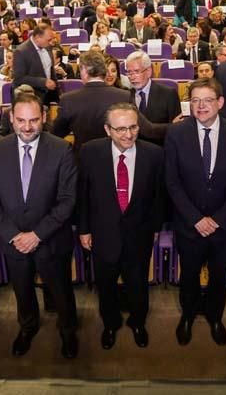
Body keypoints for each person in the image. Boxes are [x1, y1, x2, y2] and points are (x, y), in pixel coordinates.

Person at [0, 93, 79, 359]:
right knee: (22, 291)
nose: (27, 127)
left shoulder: (62, 149)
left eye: (34, 120)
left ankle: (68, 330)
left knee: (61, 293)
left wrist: (37, 235)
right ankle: (27, 327)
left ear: (44, 117)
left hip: (51, 241)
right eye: (21, 120)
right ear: (11, 118)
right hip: (13, 243)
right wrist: (13, 235)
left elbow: (67, 201)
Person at [164, 78, 226, 346]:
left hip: (223, 227)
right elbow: (171, 181)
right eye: (195, 101)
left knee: (218, 276)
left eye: (207, 100)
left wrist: (217, 220)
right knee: (189, 274)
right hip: (188, 225)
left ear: (220, 103)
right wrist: (195, 219)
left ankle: (215, 317)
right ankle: (188, 315)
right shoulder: (176, 133)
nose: (201, 106)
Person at [77, 103, 166, 350]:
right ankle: (110, 324)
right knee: (105, 285)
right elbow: (82, 195)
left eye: (133, 127)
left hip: (140, 234)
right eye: (120, 129)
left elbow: (159, 196)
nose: (128, 134)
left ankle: (138, 323)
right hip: (103, 234)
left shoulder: (155, 154)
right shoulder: (89, 152)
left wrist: (156, 227)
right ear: (107, 130)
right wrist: (84, 229)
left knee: (138, 283)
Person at [52, 51, 130, 153]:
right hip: (116, 159)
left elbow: (56, 133)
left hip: (82, 160)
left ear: (84, 70)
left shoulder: (68, 99)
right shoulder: (124, 96)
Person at [125, 50, 181, 124]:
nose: (132, 77)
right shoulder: (125, 94)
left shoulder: (168, 94)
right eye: (129, 72)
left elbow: (176, 126)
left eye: (136, 72)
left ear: (149, 72)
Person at [13, 23, 59, 104]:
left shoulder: (47, 47)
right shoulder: (21, 51)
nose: (51, 42)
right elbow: (19, 79)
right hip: (31, 99)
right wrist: (43, 82)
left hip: (50, 97)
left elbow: (51, 71)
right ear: (37, 37)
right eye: (48, 40)